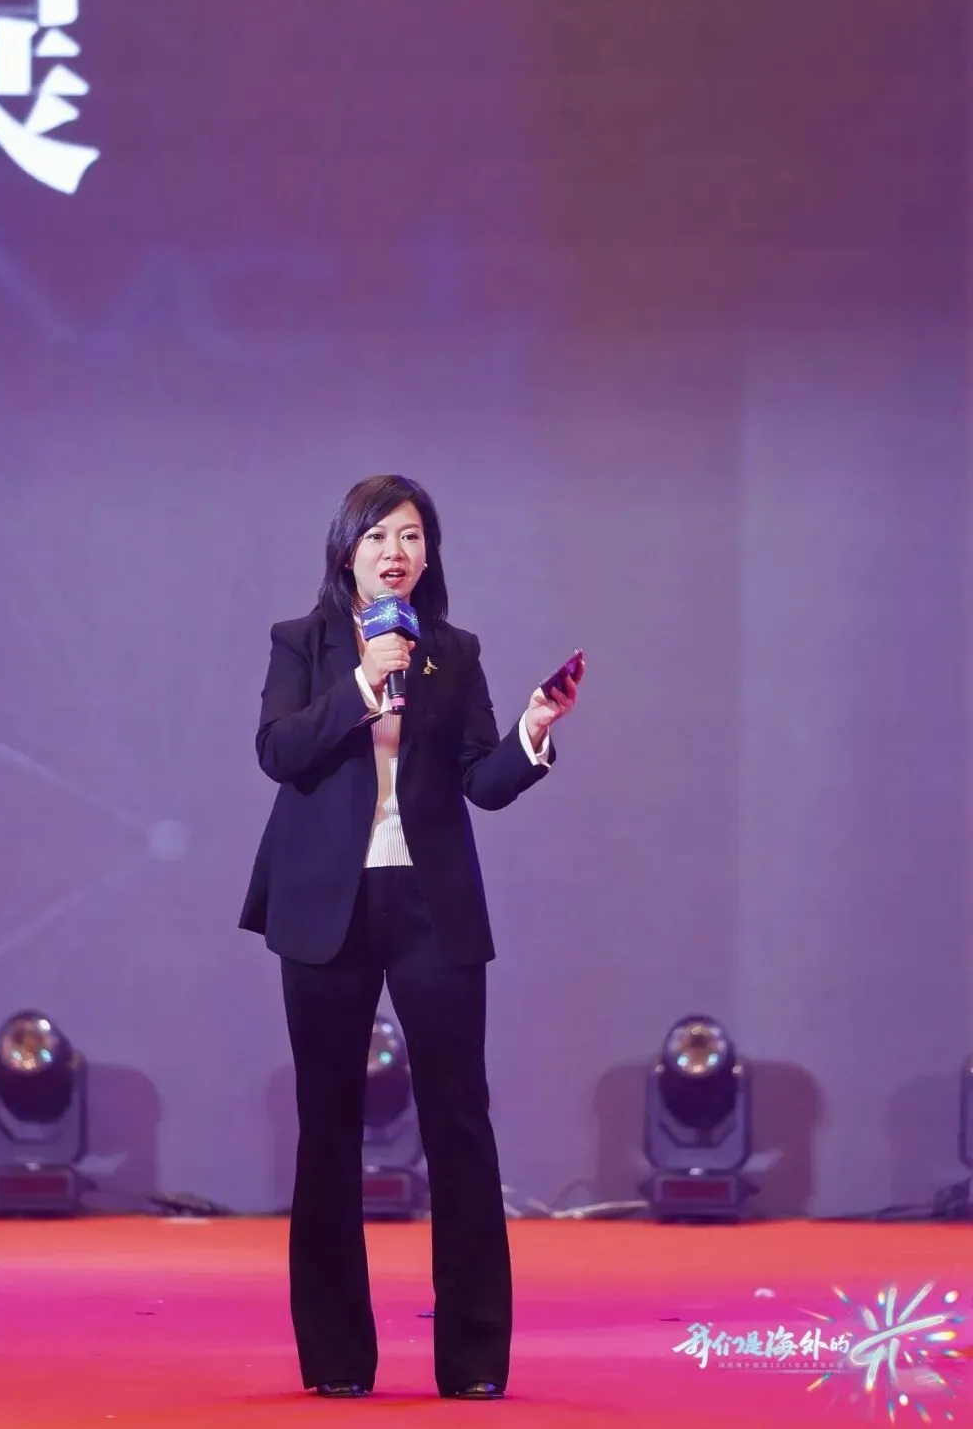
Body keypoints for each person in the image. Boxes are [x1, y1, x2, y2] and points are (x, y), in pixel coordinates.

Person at [239, 474, 583, 1401]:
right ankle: (337, 1361)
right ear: (347, 551)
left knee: (460, 1124)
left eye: (413, 536)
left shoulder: (452, 654)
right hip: (326, 903)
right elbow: (278, 751)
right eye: (379, 535)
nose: (397, 551)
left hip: (431, 902)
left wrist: (533, 731)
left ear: (429, 556)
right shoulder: (302, 642)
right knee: (328, 1129)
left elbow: (482, 783)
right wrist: (362, 685)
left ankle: (472, 1362)